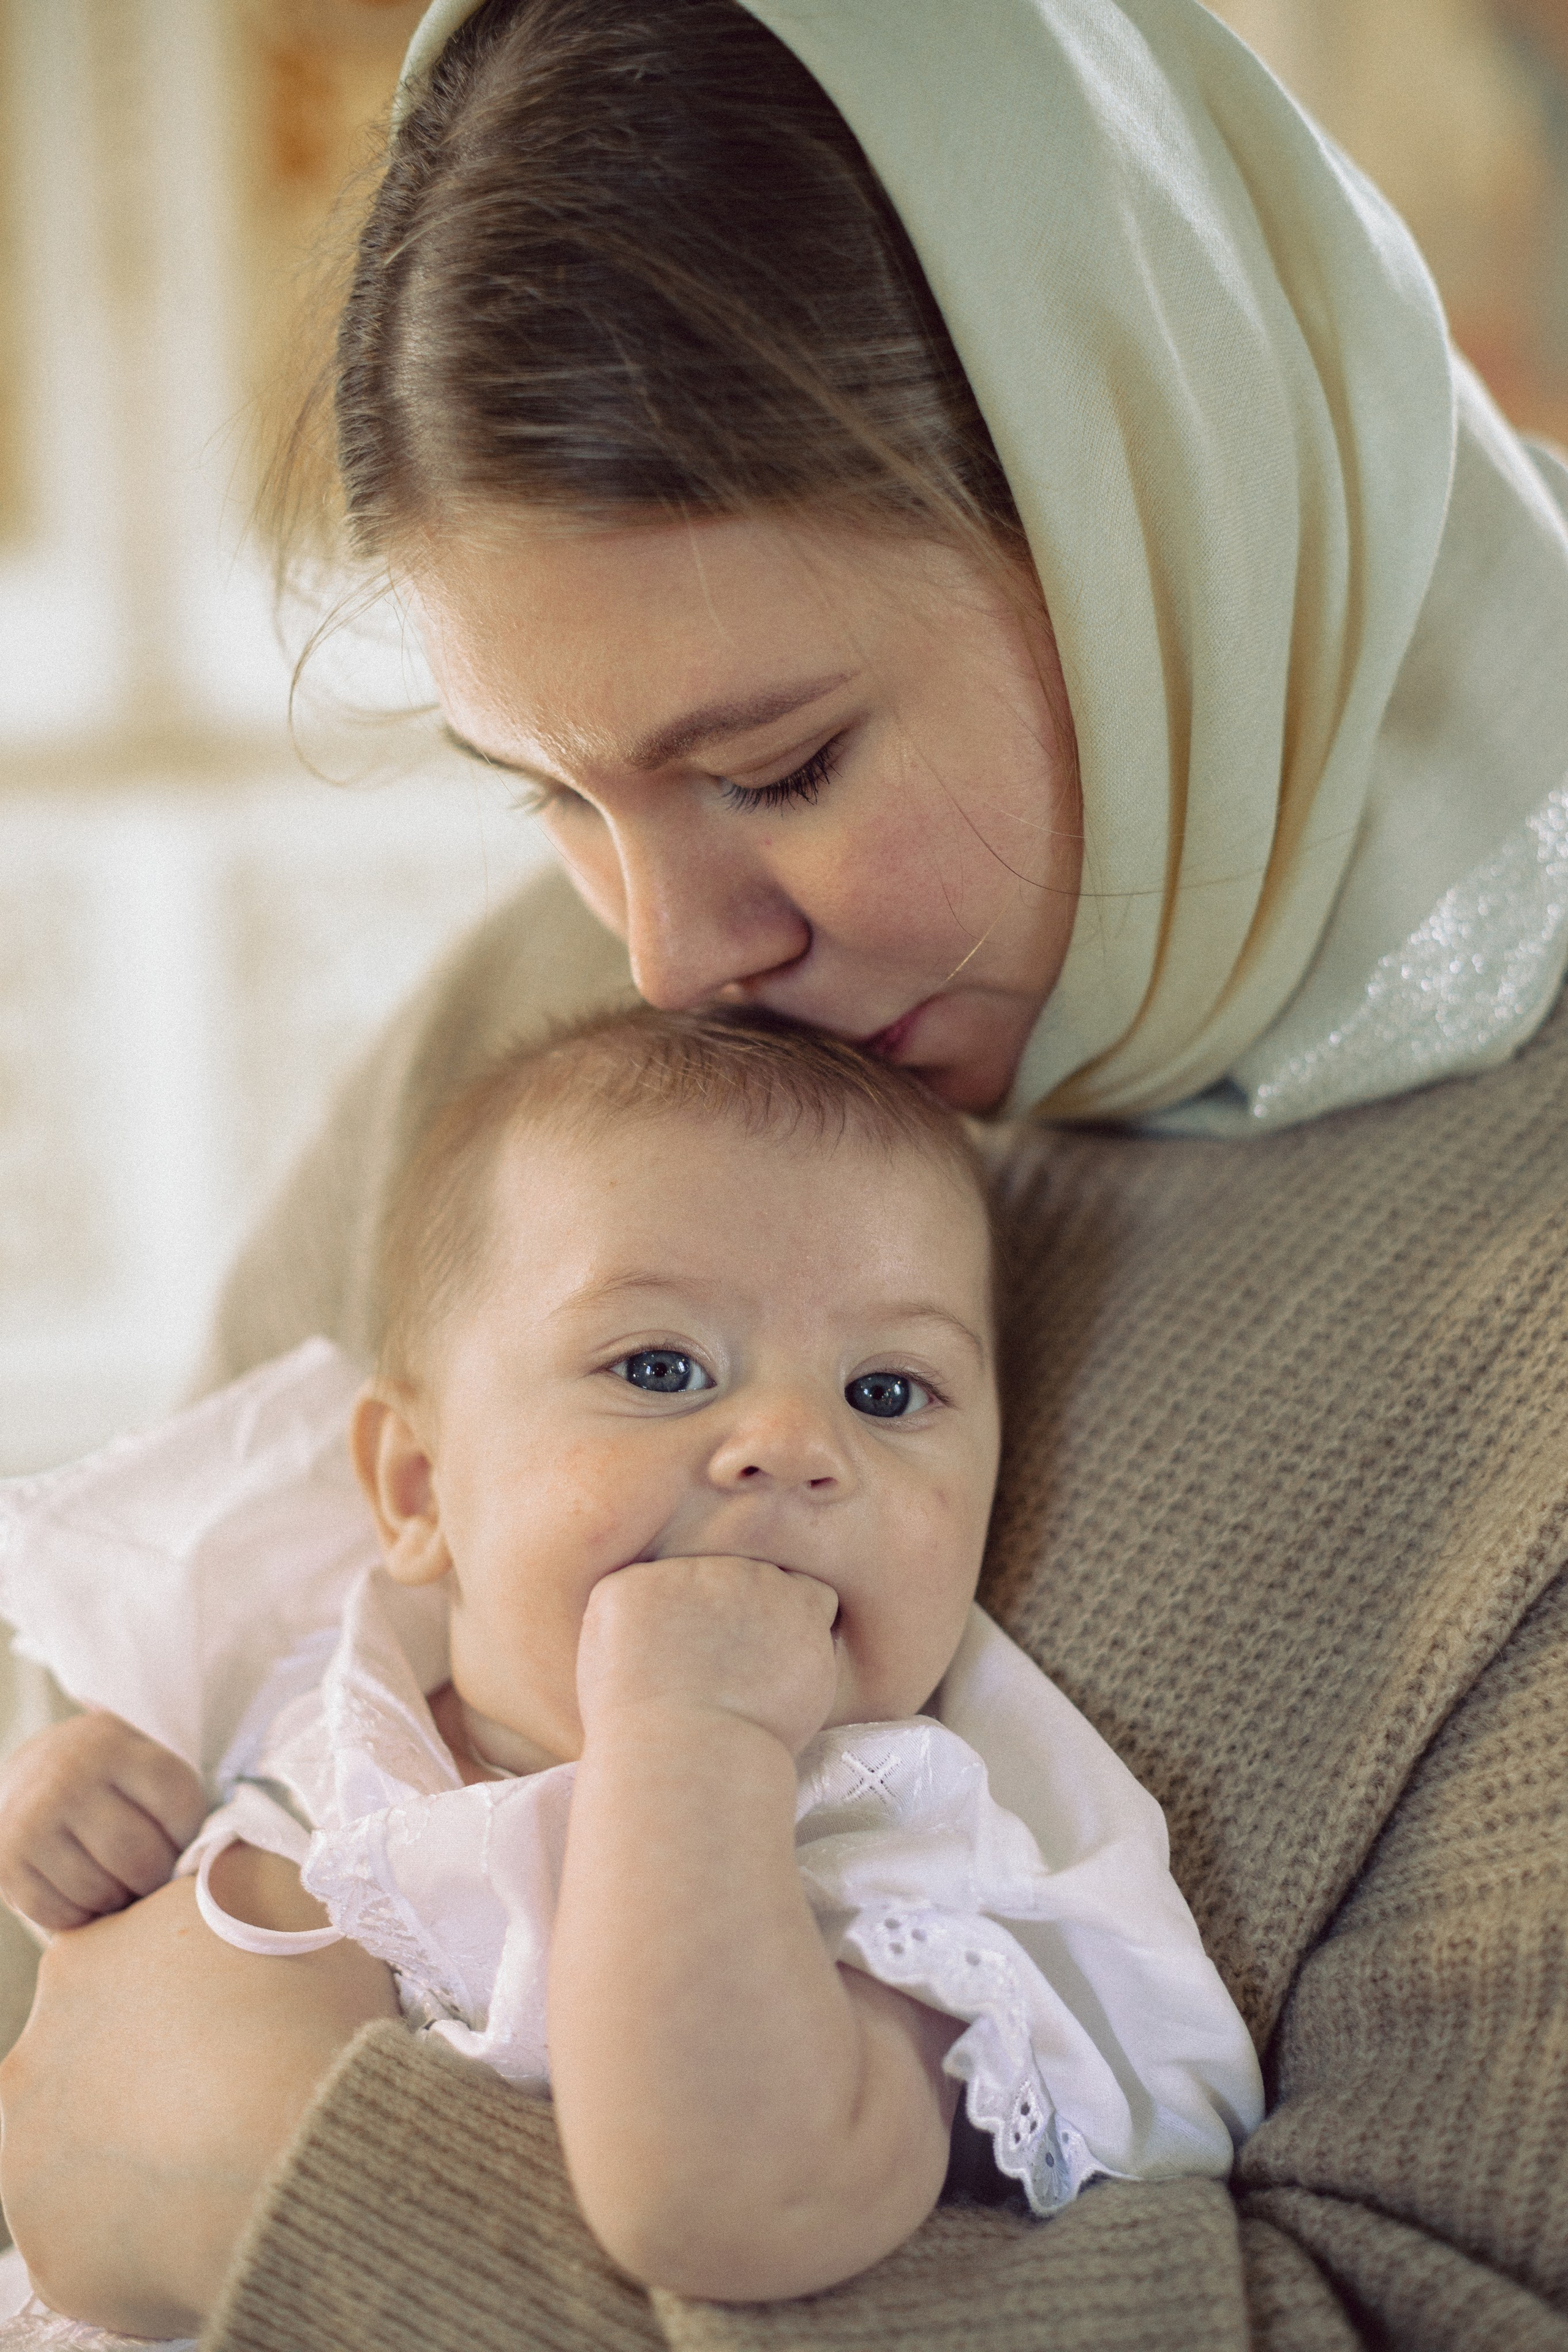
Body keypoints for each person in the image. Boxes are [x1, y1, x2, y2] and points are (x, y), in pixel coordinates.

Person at [0, 0, 1565, 2344]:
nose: (673, 955)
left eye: (782, 763)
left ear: (1161, 520)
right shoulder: (560, 1017)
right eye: (551, 784)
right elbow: (154, 1728)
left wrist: (297, 2206)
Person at [0, 1009, 1261, 2337]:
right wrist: (88, 1803)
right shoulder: (304, 1632)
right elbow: (129, 1930)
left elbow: (734, 2209)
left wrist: (693, 1733)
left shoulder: (888, 1857)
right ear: (420, 1489)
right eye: (662, 1369)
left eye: (887, 1393)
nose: (786, 1443)